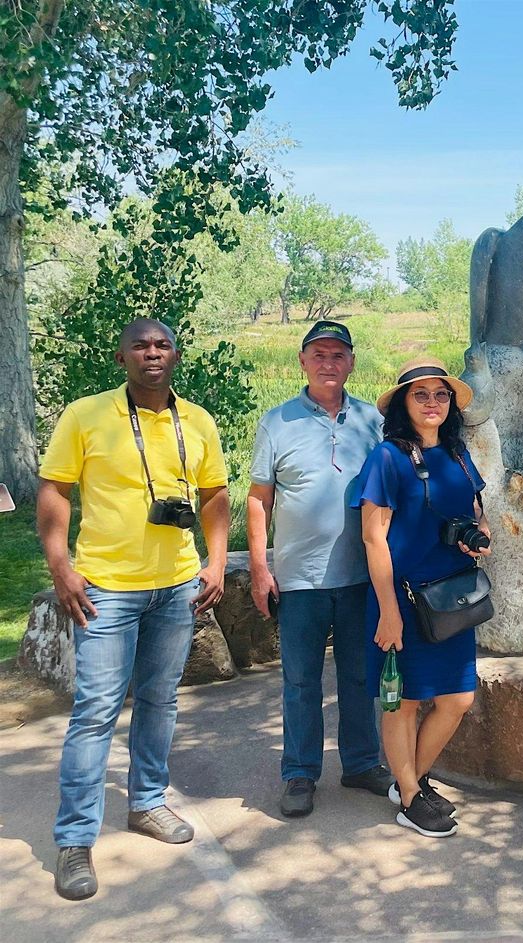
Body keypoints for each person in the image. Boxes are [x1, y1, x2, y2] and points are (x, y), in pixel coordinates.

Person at [37, 318, 230, 901]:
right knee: (95, 709)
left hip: (175, 586)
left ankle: (146, 802)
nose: (153, 352)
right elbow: (54, 491)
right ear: (121, 356)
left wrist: (216, 563)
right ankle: (74, 840)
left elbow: (215, 495)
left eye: (163, 344)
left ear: (175, 356)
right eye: (142, 345)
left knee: (159, 698)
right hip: (106, 589)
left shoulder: (196, 420)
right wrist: (61, 568)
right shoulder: (85, 414)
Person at [247, 320, 391, 818]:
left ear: (351, 362)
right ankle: (299, 773)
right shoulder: (276, 422)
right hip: (299, 579)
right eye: (319, 355)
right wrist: (261, 568)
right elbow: (258, 499)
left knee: (358, 676)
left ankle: (360, 762)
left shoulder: (373, 421)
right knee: (302, 681)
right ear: (303, 361)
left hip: (360, 577)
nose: (328, 363)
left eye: (338, 355)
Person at [355, 357, 491, 837]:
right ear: (403, 404)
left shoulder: (457, 454)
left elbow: (477, 510)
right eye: (421, 394)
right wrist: (388, 612)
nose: (432, 402)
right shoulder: (387, 458)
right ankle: (411, 796)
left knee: (456, 698)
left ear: (451, 402)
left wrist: (479, 535)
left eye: (441, 394)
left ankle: (409, 778)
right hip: (404, 600)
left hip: (452, 599)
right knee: (404, 703)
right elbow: (374, 539)